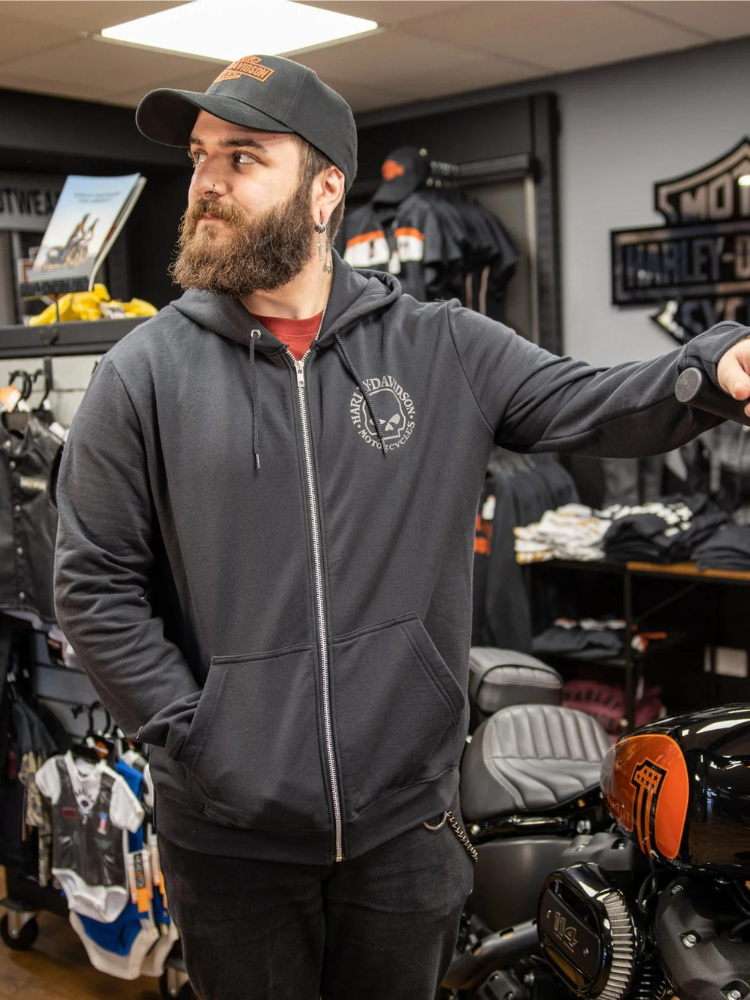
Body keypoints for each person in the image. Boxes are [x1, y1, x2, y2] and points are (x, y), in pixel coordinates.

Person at [53, 53, 750, 1000]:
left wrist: (715, 368)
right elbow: (93, 587)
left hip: (406, 834)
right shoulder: (142, 375)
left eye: (244, 157)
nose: (208, 181)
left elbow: (597, 402)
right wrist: (197, 737)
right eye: (201, 156)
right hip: (230, 845)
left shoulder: (441, 347)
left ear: (326, 189)